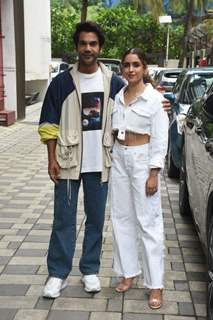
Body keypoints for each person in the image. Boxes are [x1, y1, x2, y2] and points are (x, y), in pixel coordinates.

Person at [38, 21, 124, 298]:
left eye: (93, 43)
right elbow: (49, 124)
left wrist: (161, 104)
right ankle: (57, 274)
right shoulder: (61, 83)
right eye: (83, 43)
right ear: (76, 47)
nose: (88, 48)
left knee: (96, 220)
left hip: (100, 164)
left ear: (100, 47)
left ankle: (89, 271)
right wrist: (51, 158)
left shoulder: (113, 82)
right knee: (63, 220)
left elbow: (135, 102)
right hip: (67, 161)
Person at [110, 48, 169, 309]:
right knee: (121, 218)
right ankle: (129, 272)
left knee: (149, 223)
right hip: (119, 158)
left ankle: (155, 284)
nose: (130, 70)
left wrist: (154, 172)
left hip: (143, 161)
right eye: (126, 65)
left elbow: (160, 137)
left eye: (135, 65)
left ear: (144, 68)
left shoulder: (154, 99)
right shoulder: (118, 96)